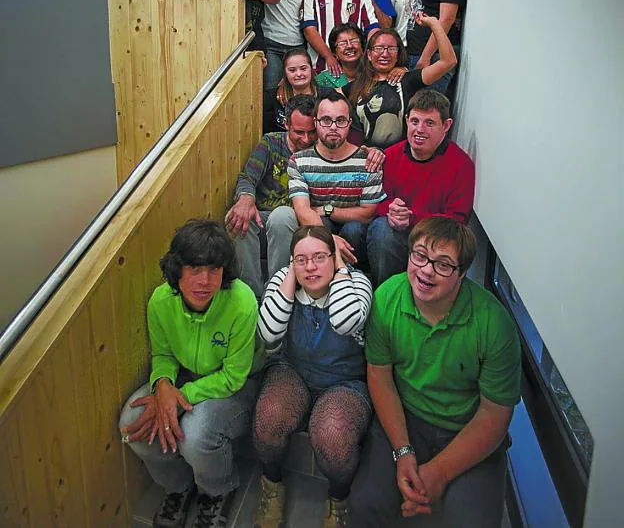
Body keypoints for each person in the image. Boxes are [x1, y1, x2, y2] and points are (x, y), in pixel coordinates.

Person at [350, 217, 521, 528]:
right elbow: (380, 377)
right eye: (419, 256)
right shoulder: (387, 298)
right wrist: (403, 452)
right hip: (407, 417)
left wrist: (438, 473)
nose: (426, 270)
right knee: (365, 505)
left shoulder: (494, 325)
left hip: (465, 426)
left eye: (443, 265)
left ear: (463, 273)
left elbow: (495, 413)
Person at [118, 219, 261, 528]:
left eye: (214, 269)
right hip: (182, 378)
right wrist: (162, 384)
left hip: (237, 386)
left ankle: (217, 492)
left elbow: (233, 377)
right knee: (131, 425)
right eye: (195, 269)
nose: (205, 281)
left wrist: (175, 397)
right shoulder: (160, 301)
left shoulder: (242, 301)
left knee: (196, 434)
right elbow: (163, 354)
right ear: (177, 270)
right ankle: (179, 486)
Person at [253, 225, 373, 528]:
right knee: (268, 420)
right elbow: (267, 333)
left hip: (345, 381)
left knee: (332, 436)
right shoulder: (285, 280)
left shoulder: (357, 283)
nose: (310, 266)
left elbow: (346, 322)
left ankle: (338, 499)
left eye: (319, 257)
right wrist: (289, 275)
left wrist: (342, 269)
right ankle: (272, 486)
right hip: (293, 370)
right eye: (301, 259)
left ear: (334, 258)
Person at [366, 89, 475, 286]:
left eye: (430, 123)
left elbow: (457, 221)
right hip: (395, 236)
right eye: (415, 121)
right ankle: (386, 293)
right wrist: (390, 209)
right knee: (380, 228)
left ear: (446, 125)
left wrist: (412, 218)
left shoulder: (462, 165)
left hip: (435, 242)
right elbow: (377, 201)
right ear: (406, 120)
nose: (419, 130)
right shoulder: (390, 156)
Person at [226, 95, 316, 297]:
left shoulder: (318, 151)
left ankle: (277, 292)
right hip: (264, 221)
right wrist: (246, 199)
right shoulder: (270, 143)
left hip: (297, 223)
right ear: (286, 124)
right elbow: (248, 177)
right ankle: (251, 295)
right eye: (299, 132)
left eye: (312, 132)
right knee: (238, 216)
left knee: (282, 215)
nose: (306, 139)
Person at [286, 91, 386, 265]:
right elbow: (302, 210)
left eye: (340, 121)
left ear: (349, 123)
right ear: (315, 122)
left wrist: (327, 209)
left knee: (353, 228)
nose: (333, 127)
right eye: (326, 120)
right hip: (318, 237)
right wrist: (330, 240)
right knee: (320, 223)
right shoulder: (299, 161)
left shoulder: (368, 161)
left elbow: (367, 215)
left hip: (356, 239)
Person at [345, 23, 456, 150]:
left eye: (391, 49)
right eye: (379, 48)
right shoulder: (356, 86)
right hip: (366, 156)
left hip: (399, 157)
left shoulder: (407, 80)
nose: (385, 54)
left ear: (398, 54)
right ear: (369, 55)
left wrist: (434, 24)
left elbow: (448, 61)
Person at [263, 48, 319, 132]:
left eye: (303, 69)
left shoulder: (326, 96)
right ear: (285, 73)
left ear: (311, 69)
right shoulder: (271, 98)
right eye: (292, 70)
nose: (299, 74)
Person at [316, 23, 365, 90]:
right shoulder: (324, 79)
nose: (349, 46)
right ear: (334, 53)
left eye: (354, 41)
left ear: (362, 47)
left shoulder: (373, 74)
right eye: (342, 43)